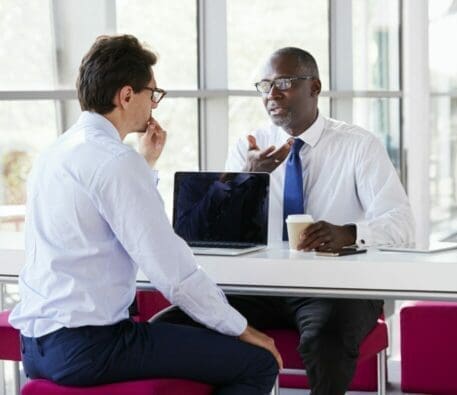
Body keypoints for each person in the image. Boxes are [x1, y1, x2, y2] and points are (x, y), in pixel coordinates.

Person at [8, 34, 281, 395]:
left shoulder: (56, 152)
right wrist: (242, 328)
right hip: (92, 348)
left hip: (37, 347)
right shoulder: (115, 161)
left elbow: (103, 218)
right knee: (257, 363)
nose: (154, 104)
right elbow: (173, 273)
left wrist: (144, 162)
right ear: (125, 96)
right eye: (152, 94)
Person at [161, 47, 415, 395]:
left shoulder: (358, 146)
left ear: (315, 87)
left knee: (325, 340)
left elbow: (402, 224)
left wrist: (349, 233)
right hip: (260, 286)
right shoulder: (250, 147)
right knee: (173, 323)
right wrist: (247, 179)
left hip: (335, 289)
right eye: (264, 85)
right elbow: (220, 233)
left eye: (284, 82)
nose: (272, 94)